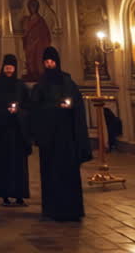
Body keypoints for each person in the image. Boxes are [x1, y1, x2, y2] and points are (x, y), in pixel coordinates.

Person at [29, 47, 91, 221]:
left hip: (67, 136)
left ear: (57, 62)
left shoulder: (67, 81)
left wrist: (69, 107)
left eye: (52, 61)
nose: (49, 64)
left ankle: (72, 209)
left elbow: (77, 105)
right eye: (46, 62)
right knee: (51, 174)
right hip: (50, 138)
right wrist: (54, 108)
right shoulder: (41, 85)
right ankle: (53, 209)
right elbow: (35, 109)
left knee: (69, 173)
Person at [0, 54, 30, 207]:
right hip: (1, 132)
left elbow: (28, 107)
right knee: (3, 164)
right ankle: (4, 194)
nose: (9, 69)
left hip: (18, 132)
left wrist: (18, 112)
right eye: (6, 66)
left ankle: (19, 195)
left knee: (18, 166)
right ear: (3, 67)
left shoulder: (21, 86)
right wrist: (4, 113)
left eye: (11, 67)